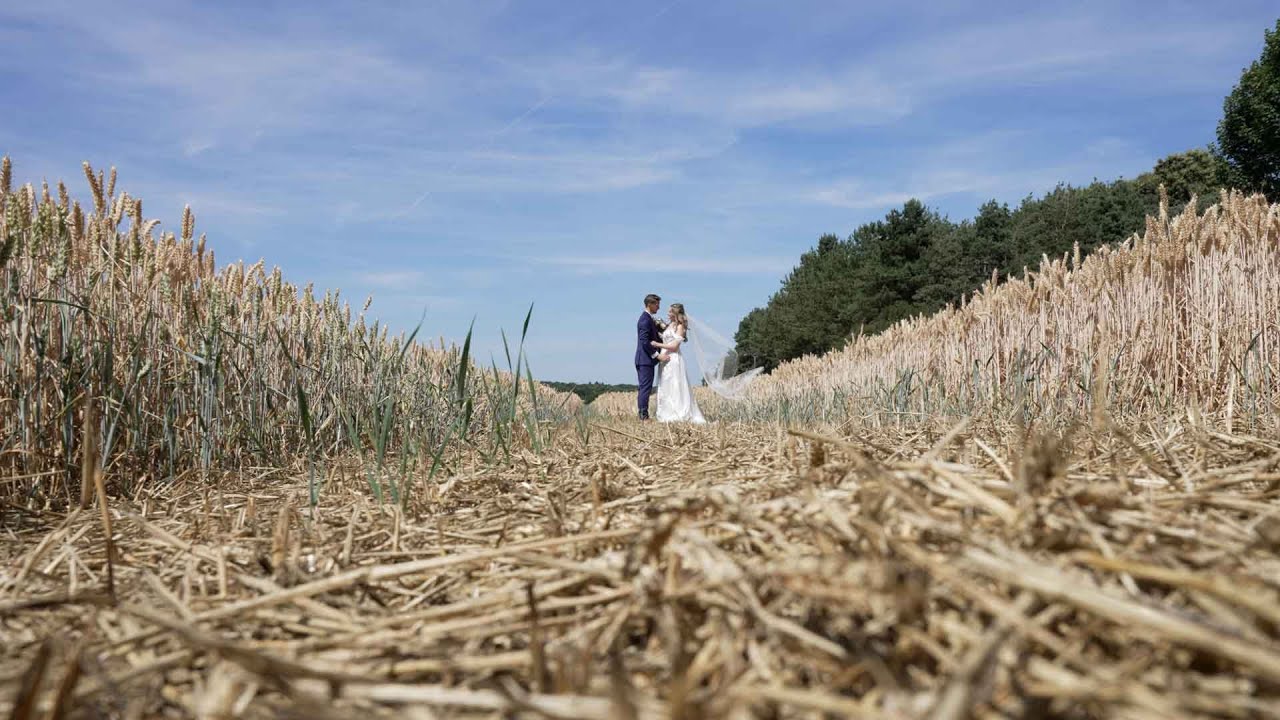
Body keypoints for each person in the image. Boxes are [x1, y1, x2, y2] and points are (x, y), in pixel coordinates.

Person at [650, 303, 706, 424]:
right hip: (664, 358)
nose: (668, 314)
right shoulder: (670, 325)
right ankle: (666, 412)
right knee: (665, 384)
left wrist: (657, 344)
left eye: (670, 312)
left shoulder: (680, 327)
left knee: (675, 384)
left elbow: (675, 346)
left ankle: (678, 412)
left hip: (673, 358)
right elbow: (666, 337)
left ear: (675, 313)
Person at [634, 293, 666, 420]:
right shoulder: (644, 320)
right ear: (650, 304)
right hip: (645, 360)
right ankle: (643, 415)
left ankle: (643, 414)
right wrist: (657, 355)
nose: (658, 307)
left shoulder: (649, 318)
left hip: (646, 360)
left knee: (645, 387)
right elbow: (644, 341)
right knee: (645, 388)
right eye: (657, 304)